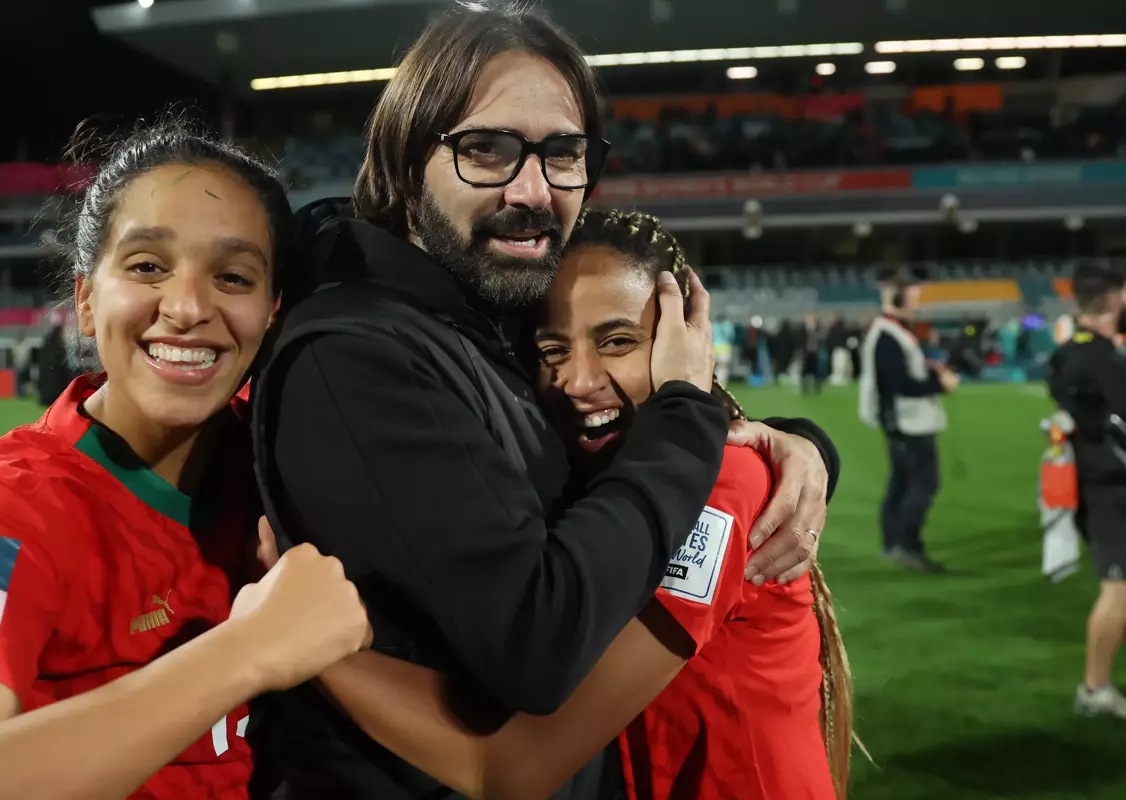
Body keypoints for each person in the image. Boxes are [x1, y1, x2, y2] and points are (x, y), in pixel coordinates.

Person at [250, 5, 841, 797]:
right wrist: (691, 416)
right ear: (400, 163)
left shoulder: (485, 312)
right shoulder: (359, 354)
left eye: (562, 153)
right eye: (486, 149)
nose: (532, 190)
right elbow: (539, 649)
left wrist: (795, 445)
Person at [0, 115, 373, 800]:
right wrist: (249, 650)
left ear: (272, 311)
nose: (185, 307)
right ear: (87, 301)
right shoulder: (9, 505)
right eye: (147, 266)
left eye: (233, 277)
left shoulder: (285, 467)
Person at [307, 208, 855, 800]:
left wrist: (305, 647)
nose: (579, 379)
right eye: (552, 350)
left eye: (617, 341)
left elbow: (511, 767)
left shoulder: (716, 486)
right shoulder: (600, 476)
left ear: (687, 343)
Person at [1046, 263, 1126, 718]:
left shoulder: (1067, 352)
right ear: (1115, 299)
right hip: (1110, 484)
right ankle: (1094, 690)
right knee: (1118, 588)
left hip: (1089, 477)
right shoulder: (1103, 358)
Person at [859, 271, 958, 573]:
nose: (917, 305)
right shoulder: (889, 335)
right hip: (909, 423)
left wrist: (929, 372)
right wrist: (941, 385)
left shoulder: (890, 331)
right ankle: (908, 545)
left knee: (901, 483)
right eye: (914, 298)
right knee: (923, 484)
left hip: (903, 422)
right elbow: (900, 384)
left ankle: (893, 543)